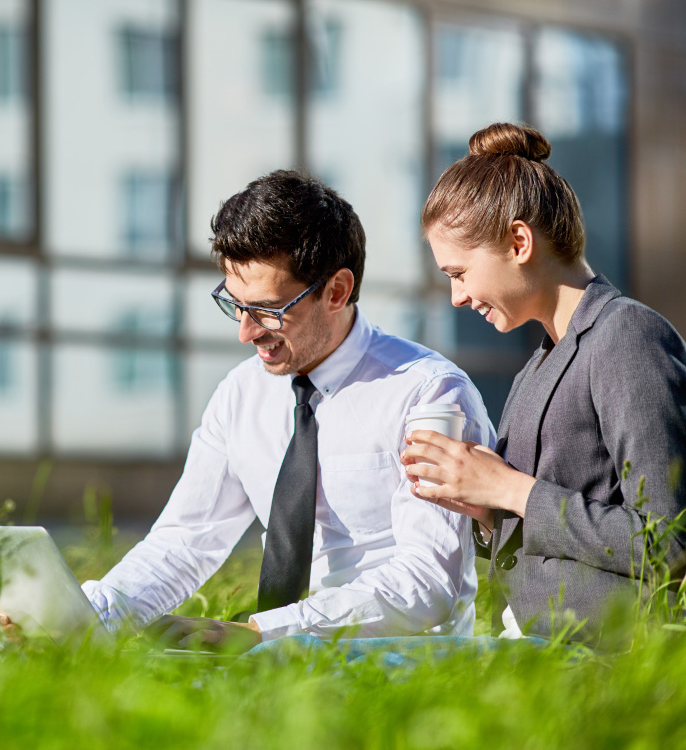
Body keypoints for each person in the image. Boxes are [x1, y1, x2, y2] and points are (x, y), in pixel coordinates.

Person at [79, 170, 495, 652]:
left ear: (337, 290)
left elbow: (428, 583)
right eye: (234, 305)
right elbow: (185, 540)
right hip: (266, 652)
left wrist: (262, 632)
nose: (246, 332)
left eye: (268, 309)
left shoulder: (427, 393)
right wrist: (88, 617)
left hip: (399, 662)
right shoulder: (240, 393)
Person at [402, 122, 686, 646]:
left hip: (597, 661)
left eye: (459, 273)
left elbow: (668, 543)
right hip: (527, 648)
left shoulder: (627, 335)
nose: (456, 298)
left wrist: (511, 489)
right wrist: (485, 508)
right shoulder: (538, 364)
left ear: (518, 241)